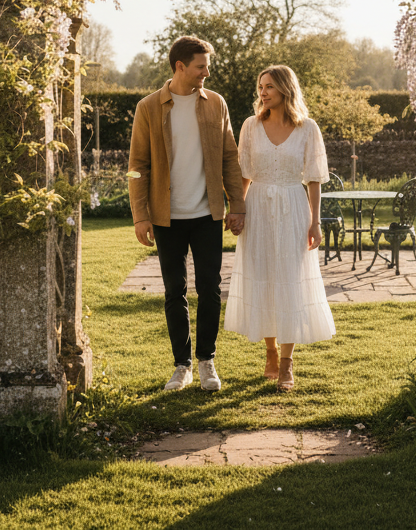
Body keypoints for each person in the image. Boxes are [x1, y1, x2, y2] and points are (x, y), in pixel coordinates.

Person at [128, 36, 245, 392]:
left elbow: (229, 157)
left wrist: (237, 204)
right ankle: (182, 367)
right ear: (180, 66)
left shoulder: (216, 104)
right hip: (167, 217)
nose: (206, 73)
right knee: (173, 291)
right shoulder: (148, 107)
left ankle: (207, 361)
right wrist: (140, 215)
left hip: (207, 213)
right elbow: (137, 165)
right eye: (200, 66)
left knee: (210, 289)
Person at [224, 65, 336, 391]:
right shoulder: (250, 126)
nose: (263, 92)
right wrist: (238, 210)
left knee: (289, 280)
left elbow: (314, 179)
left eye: (269, 86)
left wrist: (315, 221)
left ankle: (287, 362)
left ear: (285, 89)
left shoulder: (307, 128)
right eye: (261, 86)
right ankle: (270, 351)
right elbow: (243, 173)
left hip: (293, 206)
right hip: (257, 206)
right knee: (264, 279)